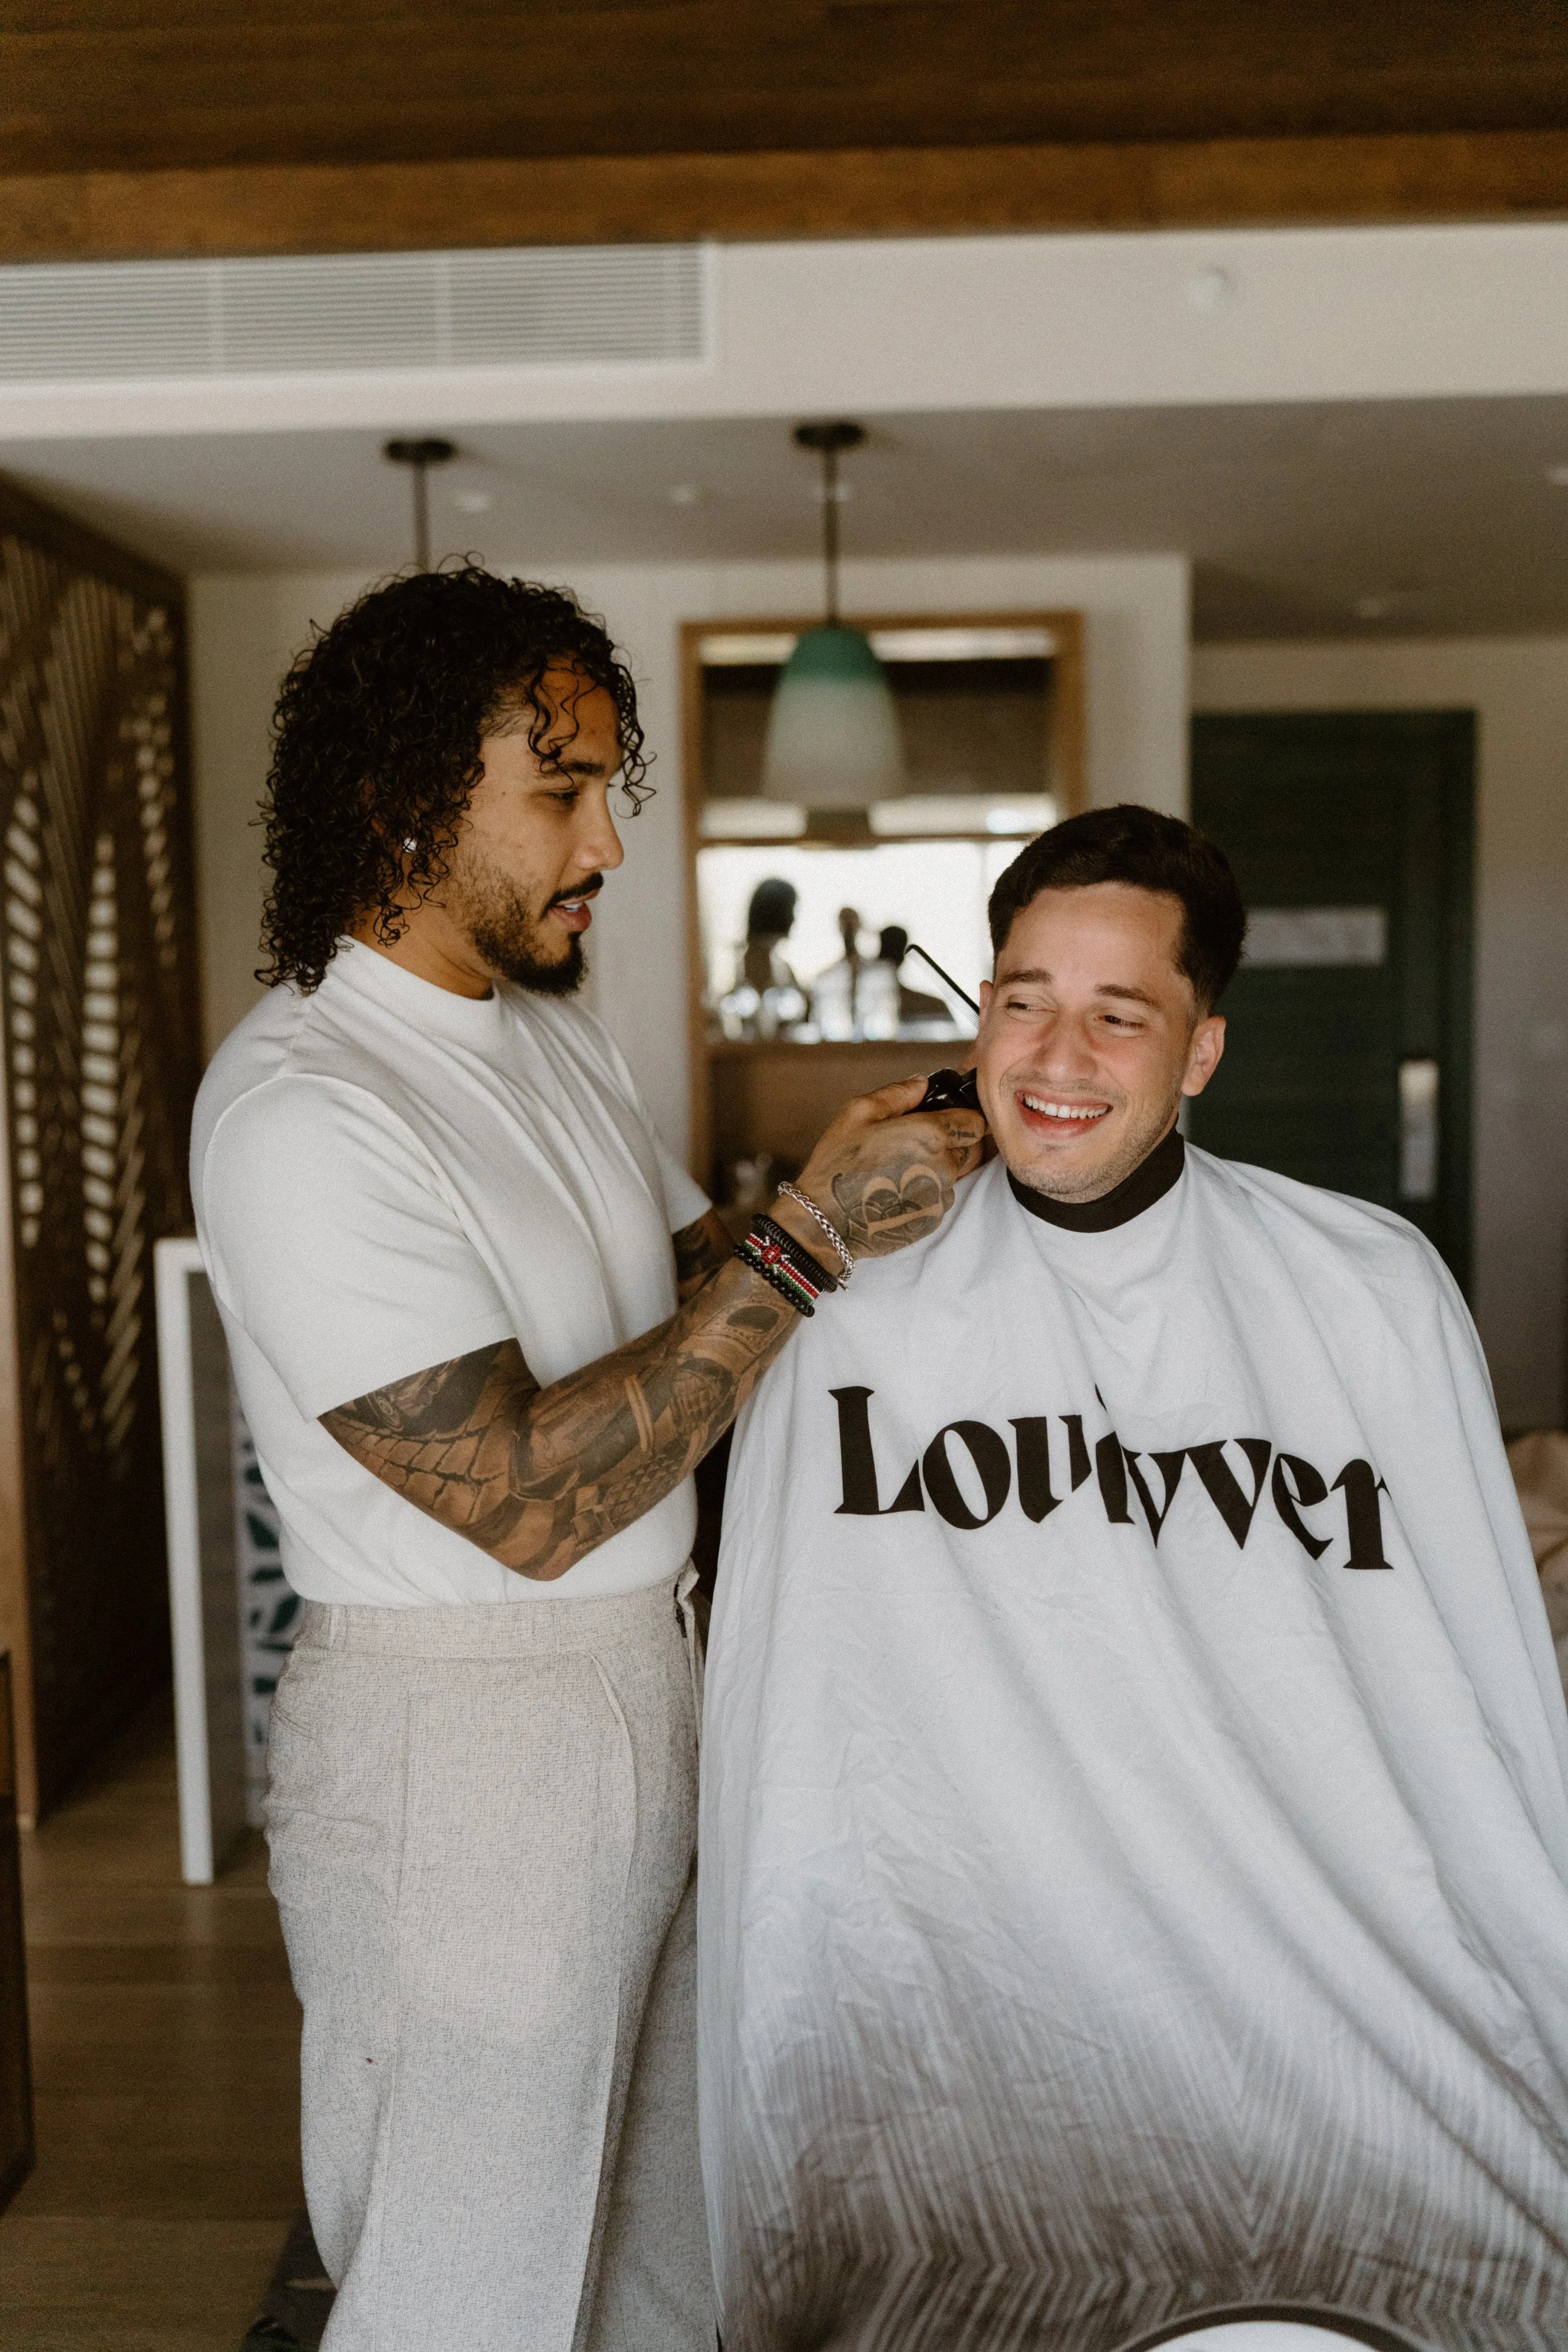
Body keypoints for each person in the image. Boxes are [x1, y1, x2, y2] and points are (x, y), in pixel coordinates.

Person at [189, 566, 983, 2352]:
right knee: (469, 2267)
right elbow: (529, 1500)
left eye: (605, 792)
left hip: (651, 1673)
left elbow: (674, 1290)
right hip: (460, 1739)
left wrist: (829, 1183)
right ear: (399, 804)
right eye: (559, 794)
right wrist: (809, 1242)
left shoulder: (547, 1034)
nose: (607, 844)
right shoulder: (307, 1106)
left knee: (651, 2231)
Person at [699, 804, 1568, 2352]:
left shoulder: (1361, 1288)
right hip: (967, 1980)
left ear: (1200, 1051)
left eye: (1118, 1015)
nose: (1054, 1055)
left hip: (1305, 1962)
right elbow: (798, 1691)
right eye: (1022, 1000)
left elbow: (1466, 1680)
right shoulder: (852, 1295)